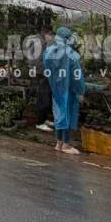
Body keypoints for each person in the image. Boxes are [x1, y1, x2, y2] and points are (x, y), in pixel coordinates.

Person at [43, 26, 85, 154]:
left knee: (59, 115)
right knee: (68, 115)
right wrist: (80, 91)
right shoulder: (71, 54)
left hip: (56, 89)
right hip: (69, 90)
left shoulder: (48, 52)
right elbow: (77, 76)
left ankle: (59, 143)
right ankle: (66, 144)